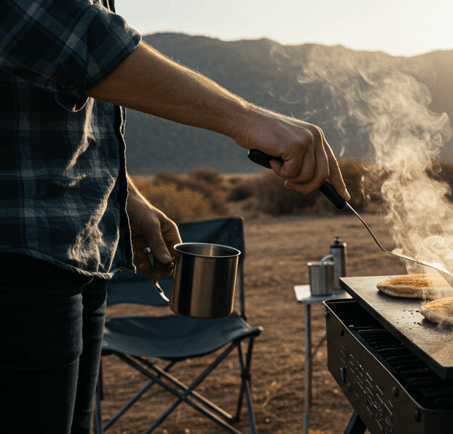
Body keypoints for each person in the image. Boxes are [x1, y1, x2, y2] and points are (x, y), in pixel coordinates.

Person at [0, 0, 350, 432]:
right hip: (17, 253)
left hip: (74, 256)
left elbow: (65, 112)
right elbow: (64, 31)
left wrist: (127, 198)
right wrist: (246, 119)